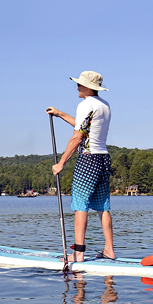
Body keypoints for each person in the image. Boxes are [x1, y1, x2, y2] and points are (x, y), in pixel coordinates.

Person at [46, 71, 114, 262]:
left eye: (80, 84)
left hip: (88, 159)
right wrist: (60, 114)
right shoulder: (104, 105)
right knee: (103, 206)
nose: (77, 87)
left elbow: (77, 137)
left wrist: (61, 163)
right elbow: (84, 128)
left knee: (80, 205)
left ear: (87, 87)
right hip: (103, 158)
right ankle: (109, 249)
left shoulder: (85, 104)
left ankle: (79, 253)